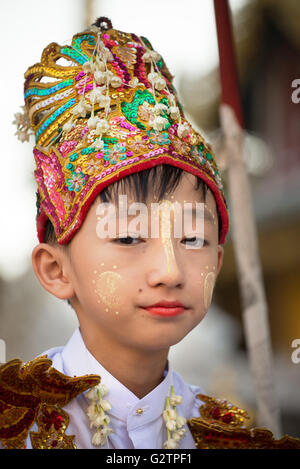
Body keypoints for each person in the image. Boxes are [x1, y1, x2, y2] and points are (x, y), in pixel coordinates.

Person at [1, 17, 299, 451]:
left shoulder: (226, 434)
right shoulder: (15, 427)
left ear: (218, 260)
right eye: (127, 238)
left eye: (193, 238)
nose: (169, 270)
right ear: (55, 269)